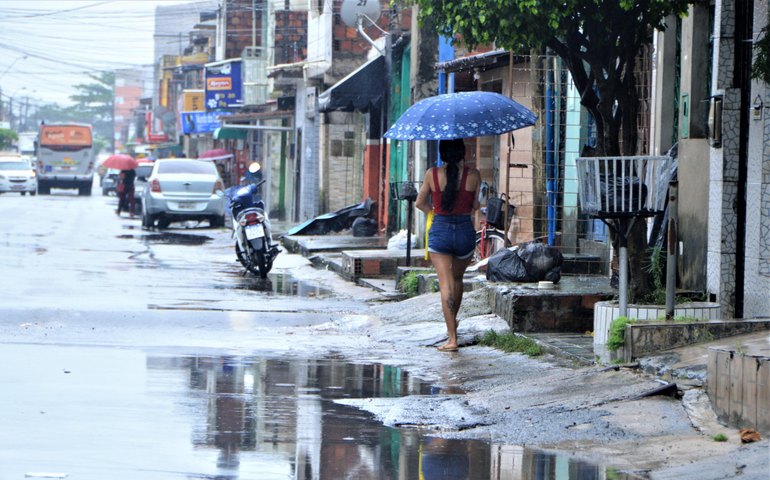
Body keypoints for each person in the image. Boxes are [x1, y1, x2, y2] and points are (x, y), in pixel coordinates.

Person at [415, 138, 481, 352]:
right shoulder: (474, 175)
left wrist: (432, 212)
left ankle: (452, 338)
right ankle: (453, 323)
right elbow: (475, 206)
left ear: (442, 153)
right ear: (462, 153)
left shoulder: (431, 174)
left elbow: (420, 202)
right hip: (464, 231)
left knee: (445, 286)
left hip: (441, 231)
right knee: (457, 279)